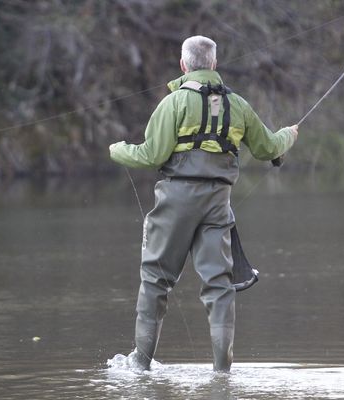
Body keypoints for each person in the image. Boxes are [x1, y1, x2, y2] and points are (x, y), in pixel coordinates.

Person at [109, 35, 298, 372]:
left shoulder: (173, 103)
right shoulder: (237, 105)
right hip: (218, 203)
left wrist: (117, 149)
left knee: (155, 278)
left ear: (183, 65)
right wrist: (289, 135)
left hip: (176, 200)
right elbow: (269, 147)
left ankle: (140, 361)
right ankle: (222, 371)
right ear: (213, 64)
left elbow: (151, 154)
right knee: (219, 285)